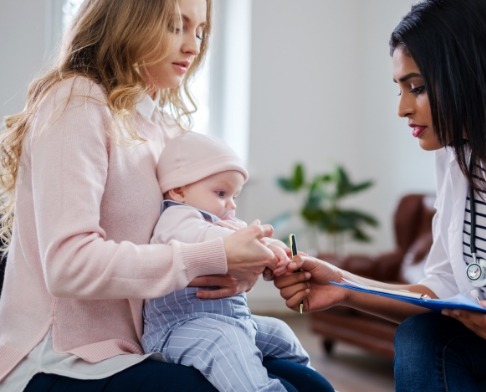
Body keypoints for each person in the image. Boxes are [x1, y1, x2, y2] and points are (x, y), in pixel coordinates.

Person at [0, 0, 332, 390]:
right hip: (63, 360)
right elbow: (68, 266)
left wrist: (242, 269)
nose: (193, 45)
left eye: (200, 31)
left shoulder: (165, 129)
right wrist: (216, 254)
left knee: (312, 386)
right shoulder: (78, 101)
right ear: (129, 19)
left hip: (141, 344)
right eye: (177, 26)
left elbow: (184, 237)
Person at [275, 0, 486, 391]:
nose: (402, 109)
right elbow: (442, 291)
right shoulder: (457, 160)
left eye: (417, 88)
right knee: (422, 335)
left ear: (471, 75)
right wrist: (344, 286)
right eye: (400, 89)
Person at [142, 131, 313, 391]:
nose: (231, 205)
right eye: (221, 193)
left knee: (280, 331)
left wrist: (277, 257)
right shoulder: (176, 219)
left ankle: (308, 377)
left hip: (235, 320)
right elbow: (208, 239)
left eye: (235, 196)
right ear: (178, 190)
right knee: (226, 342)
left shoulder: (227, 224)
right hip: (180, 328)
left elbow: (247, 251)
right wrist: (257, 247)